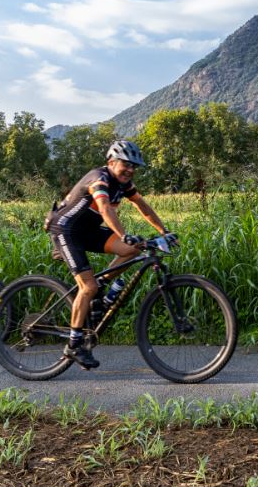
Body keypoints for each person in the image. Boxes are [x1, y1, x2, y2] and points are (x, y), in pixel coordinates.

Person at [46, 139, 173, 369]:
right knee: (88, 287)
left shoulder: (124, 184)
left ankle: (103, 282)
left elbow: (142, 205)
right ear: (111, 162)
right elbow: (104, 209)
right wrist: (123, 234)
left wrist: (164, 231)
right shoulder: (99, 179)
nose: (131, 170)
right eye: (126, 164)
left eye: (134, 166)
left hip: (88, 230)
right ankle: (74, 345)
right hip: (65, 229)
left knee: (134, 249)